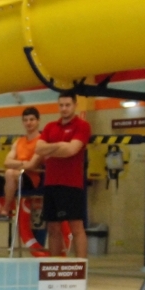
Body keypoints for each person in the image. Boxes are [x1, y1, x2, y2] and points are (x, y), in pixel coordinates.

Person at [34, 93, 91, 258]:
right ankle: (54, 264)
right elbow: (38, 149)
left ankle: (81, 265)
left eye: (67, 105)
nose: (64, 109)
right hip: (51, 183)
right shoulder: (50, 126)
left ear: (75, 105)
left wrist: (51, 148)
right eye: (61, 105)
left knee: (76, 227)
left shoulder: (82, 126)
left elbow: (71, 150)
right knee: (53, 227)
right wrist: (60, 146)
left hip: (71, 184)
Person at [0, 106, 44, 217]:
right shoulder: (18, 142)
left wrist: (17, 164)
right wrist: (23, 164)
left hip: (30, 179)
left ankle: (6, 208)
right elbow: (6, 162)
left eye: (31, 119)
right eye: (25, 120)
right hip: (12, 177)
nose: (28, 123)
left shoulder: (42, 141)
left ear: (38, 121)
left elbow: (31, 165)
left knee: (10, 173)